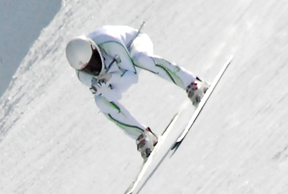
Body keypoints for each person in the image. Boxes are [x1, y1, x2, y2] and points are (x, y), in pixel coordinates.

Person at [66, 24, 209, 159]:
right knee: (100, 101)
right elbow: (114, 95)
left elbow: (132, 76)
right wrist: (107, 90)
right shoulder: (83, 76)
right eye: (88, 68)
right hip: (117, 73)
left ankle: (192, 82)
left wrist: (110, 78)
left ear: (94, 47)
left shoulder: (109, 41)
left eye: (94, 60)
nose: (94, 68)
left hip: (133, 47)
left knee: (141, 59)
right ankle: (143, 135)